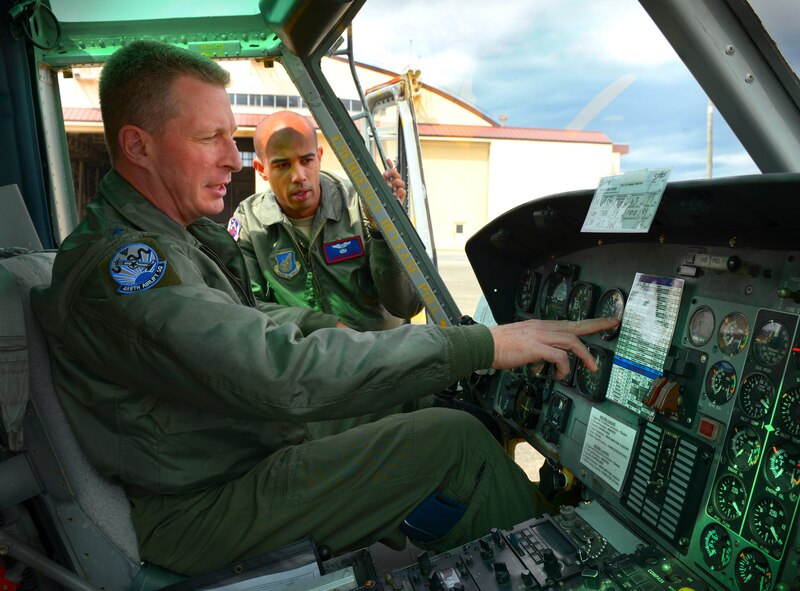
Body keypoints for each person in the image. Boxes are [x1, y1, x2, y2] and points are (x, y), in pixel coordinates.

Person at [31, 39, 618, 577]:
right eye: (208, 138)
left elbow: (246, 316)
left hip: (226, 450)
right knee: (455, 443)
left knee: (423, 401)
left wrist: (315, 322)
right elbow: (272, 370)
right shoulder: (127, 268)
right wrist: (483, 345)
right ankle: (583, 575)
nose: (233, 163)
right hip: (199, 505)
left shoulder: (178, 237)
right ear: (138, 145)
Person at [229, 110, 423, 332]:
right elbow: (245, 306)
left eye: (306, 160)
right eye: (282, 165)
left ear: (319, 157)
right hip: (307, 358)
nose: (298, 175)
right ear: (261, 169)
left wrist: (382, 230)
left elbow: (407, 305)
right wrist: (325, 326)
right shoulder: (250, 223)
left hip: (377, 354)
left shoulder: (362, 205)